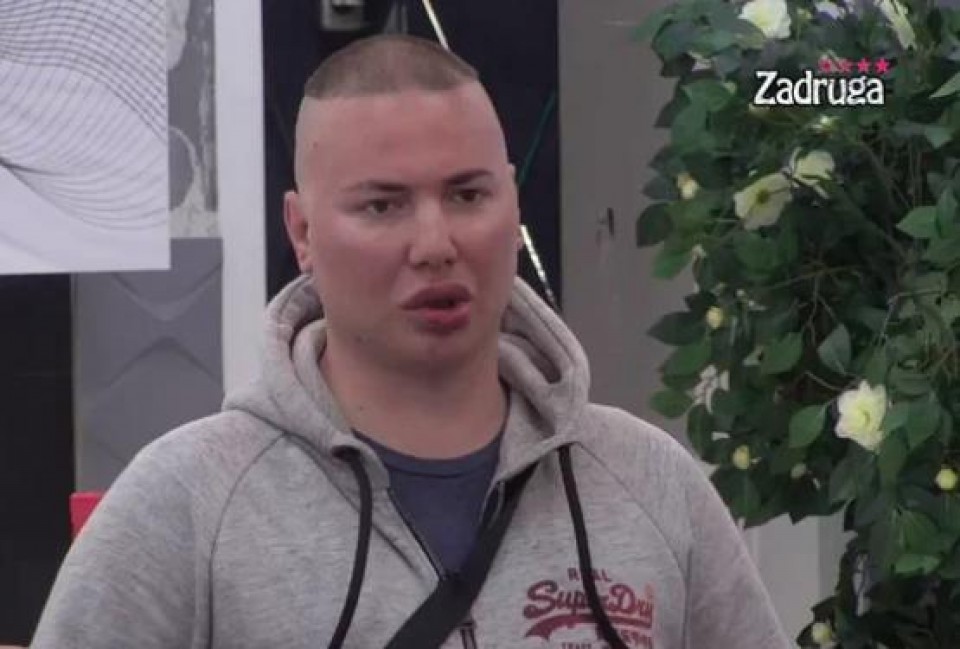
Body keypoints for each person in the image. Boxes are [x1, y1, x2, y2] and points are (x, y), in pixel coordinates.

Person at [31, 34, 790, 648]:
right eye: (383, 205)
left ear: (512, 202)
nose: (435, 244)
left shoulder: (648, 484)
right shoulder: (186, 505)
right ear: (302, 231)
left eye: (467, 194)